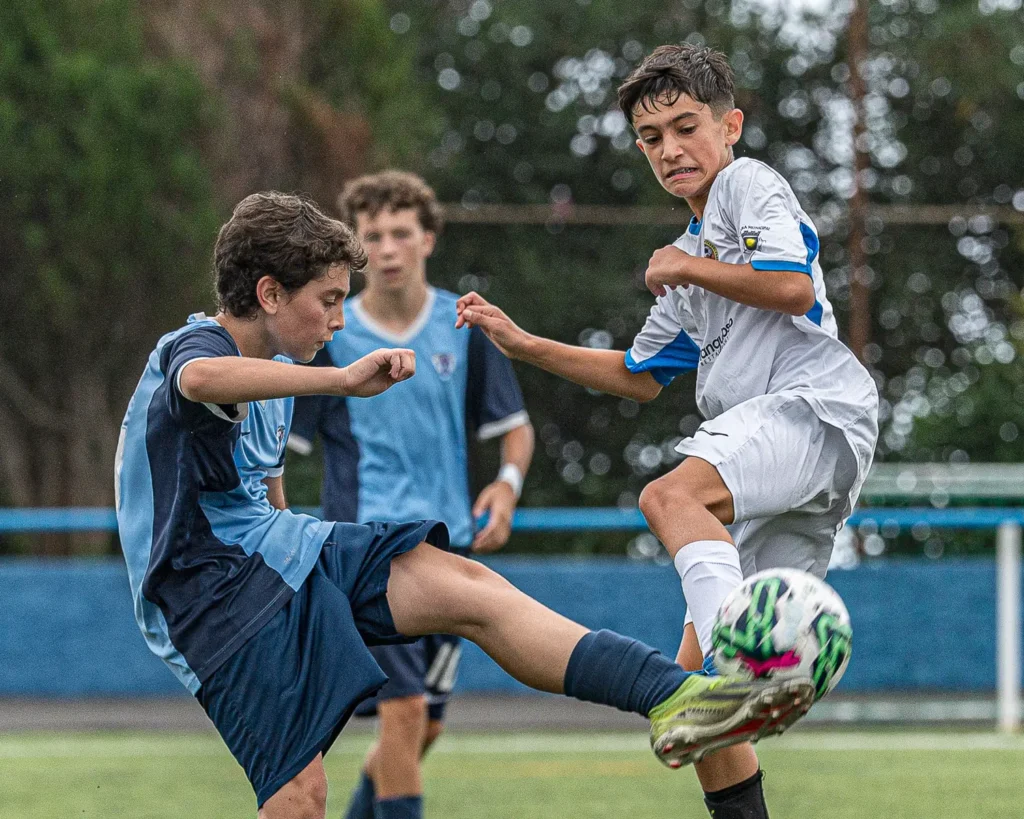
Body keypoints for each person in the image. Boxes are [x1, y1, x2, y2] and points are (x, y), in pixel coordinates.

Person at [114, 191, 814, 819]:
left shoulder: (287, 371)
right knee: (300, 799)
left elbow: (265, 485)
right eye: (328, 299)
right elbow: (202, 379)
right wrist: (342, 382)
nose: (339, 315)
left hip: (285, 550)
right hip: (212, 599)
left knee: (471, 588)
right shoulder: (197, 345)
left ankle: (676, 694)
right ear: (268, 293)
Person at [455, 44, 878, 819]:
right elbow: (637, 375)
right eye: (651, 137)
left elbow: (787, 286)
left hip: (813, 406)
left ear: (731, 127)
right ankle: (738, 696)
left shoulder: (746, 187)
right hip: (779, 459)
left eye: (685, 127)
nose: (670, 149)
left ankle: (742, 666)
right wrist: (523, 343)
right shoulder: (687, 254)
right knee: (690, 709)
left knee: (669, 496)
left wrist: (686, 271)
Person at [286, 171, 535, 819]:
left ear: (428, 238)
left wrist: (505, 491)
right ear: (356, 250)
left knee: (422, 728)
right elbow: (280, 444)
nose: (389, 247)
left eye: (401, 232)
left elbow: (515, 431)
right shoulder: (328, 338)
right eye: (373, 236)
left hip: (448, 551)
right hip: (366, 557)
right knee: (402, 713)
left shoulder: (463, 326)